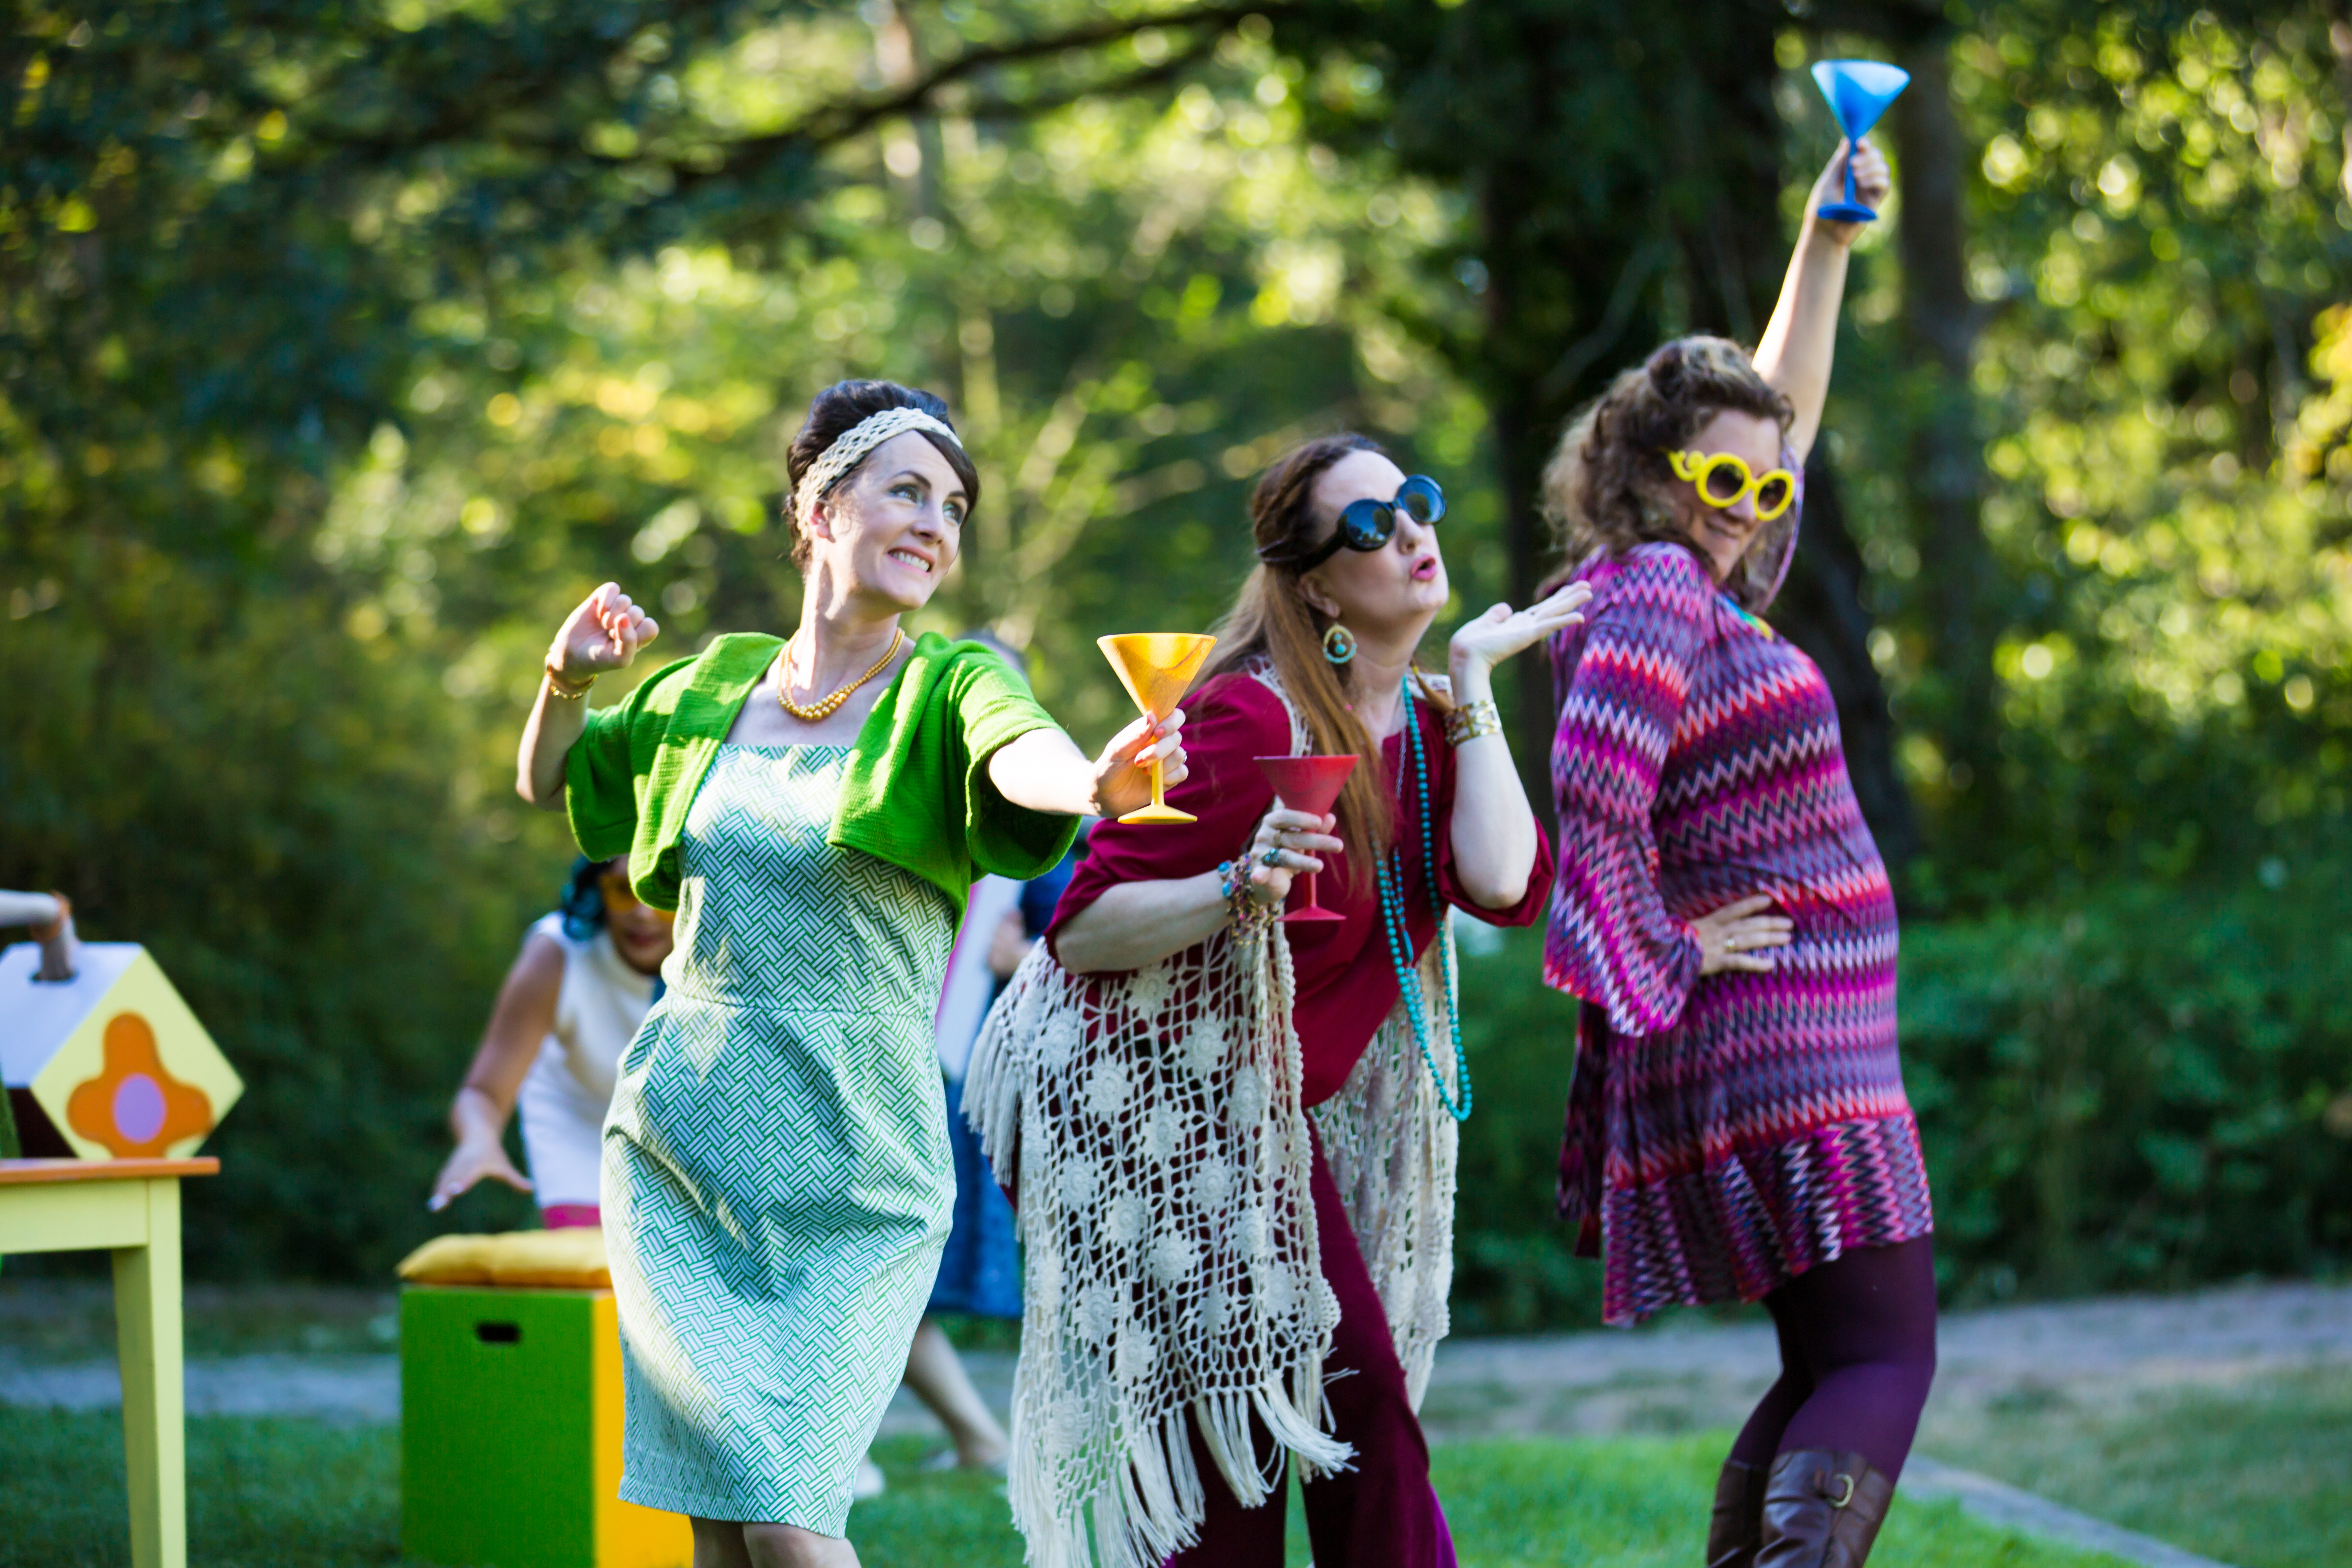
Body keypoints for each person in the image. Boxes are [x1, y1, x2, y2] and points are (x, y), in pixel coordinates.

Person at [514, 379, 1187, 1568]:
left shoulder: (950, 688)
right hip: (683, 1151)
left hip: (863, 1163)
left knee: (786, 1517)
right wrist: (564, 679)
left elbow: (1024, 757)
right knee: (719, 1527)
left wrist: (1094, 783)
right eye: (908, 491)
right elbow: (556, 784)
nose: (937, 520)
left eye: (955, 505)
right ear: (821, 509)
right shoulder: (704, 691)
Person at [966, 436, 1587, 1568]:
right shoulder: (1250, 723)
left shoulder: (1439, 728)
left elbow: (1502, 884)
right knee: (1354, 1421)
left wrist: (1481, 692)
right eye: (1367, 525)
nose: (1409, 534)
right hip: (1167, 1120)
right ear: (1312, 582)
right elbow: (1084, 928)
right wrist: (1232, 883)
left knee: (1247, 1474)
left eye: (1417, 503)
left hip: (1269, 1125)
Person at [1538, 138, 1933, 1568]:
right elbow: (1591, 783)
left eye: (1769, 491)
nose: (1753, 504)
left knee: (1827, 1357)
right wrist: (1655, 944)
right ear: (1646, 473)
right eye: (1722, 479)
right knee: (1885, 1352)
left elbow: (1781, 420)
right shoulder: (1650, 586)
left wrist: (1821, 249)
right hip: (1774, 1038)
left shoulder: (1695, 582)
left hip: (1787, 1034)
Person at [428, 856, 673, 1228]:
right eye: (625, 889)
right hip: (576, 1126)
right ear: (597, 887)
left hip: (672, 1133)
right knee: (588, 1267)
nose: (643, 914)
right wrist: (478, 1141)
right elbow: (482, 1094)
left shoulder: (729, 957)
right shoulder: (558, 952)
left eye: (660, 893)